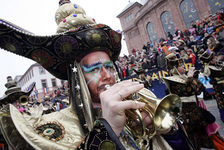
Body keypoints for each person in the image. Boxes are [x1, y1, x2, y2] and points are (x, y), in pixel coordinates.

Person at [0, 0, 191, 149]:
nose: (107, 75)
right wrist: (108, 130)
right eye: (93, 69)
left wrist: (169, 132)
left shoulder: (137, 107)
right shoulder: (54, 127)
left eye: (109, 67)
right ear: (78, 78)